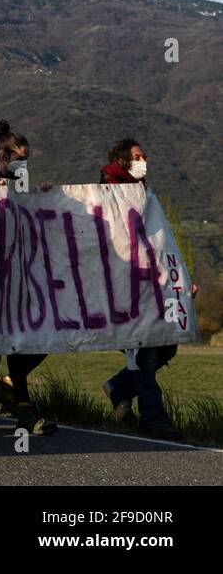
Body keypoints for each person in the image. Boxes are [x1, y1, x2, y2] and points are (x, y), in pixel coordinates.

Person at [99, 138, 184, 440]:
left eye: (144, 156)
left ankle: (119, 387)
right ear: (122, 161)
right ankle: (154, 419)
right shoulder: (106, 191)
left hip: (152, 289)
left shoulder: (145, 194)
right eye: (137, 156)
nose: (143, 160)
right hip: (126, 291)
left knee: (166, 346)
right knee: (145, 356)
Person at [0, 120, 57, 435]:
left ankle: (11, 390)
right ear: (4, 155)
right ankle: (23, 407)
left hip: (19, 273)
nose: (24, 166)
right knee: (15, 339)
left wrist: (43, 197)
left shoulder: (18, 182)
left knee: (37, 336)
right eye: (19, 159)